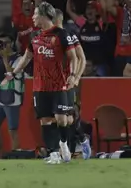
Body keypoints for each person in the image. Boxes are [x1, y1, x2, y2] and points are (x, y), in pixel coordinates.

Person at [2, 2, 79, 164]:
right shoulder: (34, 37)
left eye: (36, 14)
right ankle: (53, 154)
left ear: (44, 16)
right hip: (40, 86)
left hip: (59, 84)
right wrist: (13, 72)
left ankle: (63, 143)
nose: (33, 17)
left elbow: (73, 57)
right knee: (44, 120)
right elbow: (26, 58)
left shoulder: (62, 34)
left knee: (61, 119)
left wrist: (73, 74)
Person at [52, 11, 91, 159]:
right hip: (54, 82)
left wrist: (76, 77)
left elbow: (82, 58)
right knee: (59, 117)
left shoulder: (70, 35)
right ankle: (72, 144)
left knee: (68, 115)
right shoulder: (48, 36)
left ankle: (78, 141)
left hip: (69, 80)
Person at [0, 33, 24, 156]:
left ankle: (16, 154)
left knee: (12, 130)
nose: (2, 46)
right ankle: (1, 152)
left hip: (12, 98)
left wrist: (5, 58)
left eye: (5, 43)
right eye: (0, 43)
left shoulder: (19, 58)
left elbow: (10, 74)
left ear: (11, 43)